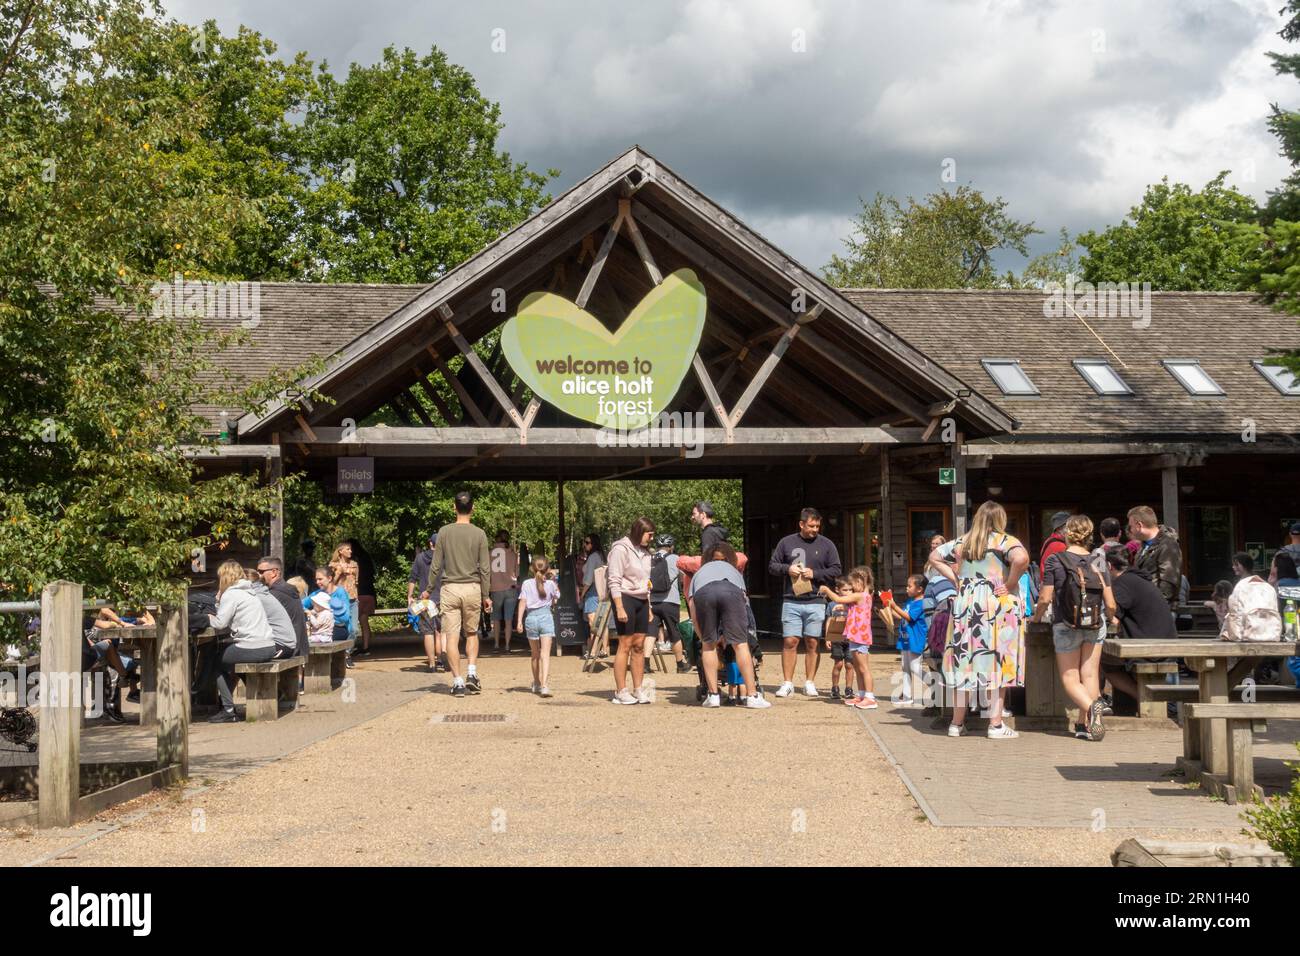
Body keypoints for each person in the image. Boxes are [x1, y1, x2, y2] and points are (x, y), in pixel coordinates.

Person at [928, 500, 1028, 740]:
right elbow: (1021, 558)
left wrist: (955, 577)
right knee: (998, 660)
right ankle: (994, 725)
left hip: (966, 604)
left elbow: (934, 556)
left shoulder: (963, 542)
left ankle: (956, 723)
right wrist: (1011, 583)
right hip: (996, 603)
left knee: (964, 660)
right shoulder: (1005, 541)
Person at [1033, 515, 1115, 742]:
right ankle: (1085, 724)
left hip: (1066, 623)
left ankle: (1091, 709)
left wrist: (1037, 617)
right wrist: (1111, 618)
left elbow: (1045, 597)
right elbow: (1110, 602)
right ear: (1090, 534)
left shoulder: (1056, 559)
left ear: (1067, 533)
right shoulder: (1098, 558)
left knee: (1070, 678)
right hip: (1096, 623)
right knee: (1089, 675)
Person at [768, 507, 842, 698]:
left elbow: (836, 569)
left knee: (812, 642)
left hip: (816, 600)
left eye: (817, 526)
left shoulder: (827, 545)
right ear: (801, 524)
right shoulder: (786, 542)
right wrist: (788, 569)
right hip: (791, 599)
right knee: (790, 641)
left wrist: (815, 574)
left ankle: (810, 682)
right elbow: (773, 566)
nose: (815, 529)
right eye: (811, 525)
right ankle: (787, 683)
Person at [689, 541, 770, 709]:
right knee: (740, 645)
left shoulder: (699, 573)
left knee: (708, 646)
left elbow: (693, 609)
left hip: (704, 593)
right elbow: (744, 603)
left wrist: (702, 635)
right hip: (732, 590)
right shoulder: (734, 571)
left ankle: (712, 695)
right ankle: (752, 695)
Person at [431, 491, 492, 698]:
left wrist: (428, 589)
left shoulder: (444, 532)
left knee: (451, 637)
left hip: (450, 588)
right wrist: (486, 594)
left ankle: (457, 682)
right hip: (473, 588)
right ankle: (472, 673)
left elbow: (436, 565)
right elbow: (484, 568)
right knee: (472, 633)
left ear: (453, 507)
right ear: (473, 508)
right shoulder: (480, 534)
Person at [1100, 548, 1177, 711]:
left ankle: (1145, 698)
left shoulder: (1123, 583)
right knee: (1110, 657)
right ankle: (1135, 702)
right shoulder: (1137, 579)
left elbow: (1112, 611)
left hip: (1151, 648)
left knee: (1101, 661)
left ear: (1109, 565)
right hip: (1163, 641)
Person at [207, 560, 276, 723]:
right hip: (268, 646)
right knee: (232, 659)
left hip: (252, 647)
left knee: (216, 662)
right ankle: (259, 695)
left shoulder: (231, 594)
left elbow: (220, 623)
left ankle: (228, 710)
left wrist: (208, 617)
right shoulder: (249, 591)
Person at [607, 517, 657, 704]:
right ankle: (621, 690)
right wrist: (619, 607)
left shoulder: (646, 553)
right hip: (625, 598)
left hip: (643, 599)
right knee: (625, 644)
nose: (651, 539)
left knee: (639, 645)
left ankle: (638, 689)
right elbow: (614, 579)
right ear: (639, 531)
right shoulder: (620, 549)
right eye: (649, 535)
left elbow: (647, 582)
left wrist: (649, 605)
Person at [819, 566, 877, 709]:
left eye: (854, 583)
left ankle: (870, 697)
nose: (852, 587)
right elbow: (857, 610)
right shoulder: (864, 597)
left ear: (861, 581)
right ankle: (862, 695)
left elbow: (839, 598)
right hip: (855, 636)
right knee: (857, 668)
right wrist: (844, 609)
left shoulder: (861, 595)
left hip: (860, 637)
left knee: (863, 668)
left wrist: (826, 590)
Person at [516, 557, 559, 697]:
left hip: (531, 618)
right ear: (547, 569)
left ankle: (536, 682)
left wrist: (519, 621)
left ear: (531, 569)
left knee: (535, 654)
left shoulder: (526, 583)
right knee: (545, 655)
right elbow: (556, 598)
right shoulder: (551, 584)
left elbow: (523, 602)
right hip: (546, 617)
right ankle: (545, 686)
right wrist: (552, 579)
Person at [648, 533, 690, 674]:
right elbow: (684, 578)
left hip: (653, 601)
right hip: (670, 602)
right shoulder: (675, 558)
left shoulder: (650, 558)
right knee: (674, 632)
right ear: (671, 547)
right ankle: (680, 664)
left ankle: (646, 664)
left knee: (651, 632)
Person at [1127, 506, 1182, 609]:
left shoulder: (1168, 544)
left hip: (1158, 609)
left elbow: (1169, 582)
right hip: (1144, 605)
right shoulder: (1144, 545)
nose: (1131, 530)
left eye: (1131, 526)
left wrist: (1155, 606)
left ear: (1139, 525)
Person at [255, 556, 309, 659]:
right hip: (299, 647)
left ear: (274, 572)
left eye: (261, 572)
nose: (258, 575)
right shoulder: (287, 590)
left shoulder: (274, 594)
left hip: (288, 648)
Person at [885, 574, 927, 707]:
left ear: (920, 589)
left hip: (915, 639)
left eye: (909, 586)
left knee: (915, 667)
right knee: (906, 668)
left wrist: (894, 605)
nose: (906, 588)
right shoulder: (910, 602)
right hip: (905, 639)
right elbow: (900, 615)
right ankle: (907, 696)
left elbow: (909, 617)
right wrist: (888, 607)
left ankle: (933, 682)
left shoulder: (921, 603)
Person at [409, 533, 446, 673]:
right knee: (441, 632)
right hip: (442, 599)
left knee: (428, 633)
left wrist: (410, 596)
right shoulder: (445, 558)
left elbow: (412, 579)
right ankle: (441, 661)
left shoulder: (420, 558)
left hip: (426, 601)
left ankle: (431, 664)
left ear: (430, 543)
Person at [489, 530, 520, 654]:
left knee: (496, 619)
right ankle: (507, 646)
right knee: (508, 620)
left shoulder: (489, 553)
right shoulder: (513, 554)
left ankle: (496, 645)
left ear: (496, 539)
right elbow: (517, 573)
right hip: (510, 589)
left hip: (496, 589)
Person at [347, 539, 377, 658]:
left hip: (358, 593)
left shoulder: (353, 562)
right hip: (369, 593)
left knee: (352, 622)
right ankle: (366, 647)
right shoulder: (366, 557)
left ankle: (349, 649)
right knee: (364, 621)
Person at [824, 578, 852, 700]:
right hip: (836, 637)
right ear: (837, 590)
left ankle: (849, 689)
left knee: (850, 664)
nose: (848, 592)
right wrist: (827, 638)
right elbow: (829, 620)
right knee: (838, 664)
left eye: (851, 590)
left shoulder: (853, 604)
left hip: (851, 638)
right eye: (845, 590)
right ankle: (835, 688)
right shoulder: (831, 605)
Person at [579, 533, 605, 658]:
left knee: (592, 623)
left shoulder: (592, 557)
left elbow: (588, 579)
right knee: (599, 623)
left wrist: (582, 594)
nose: (585, 545)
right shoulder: (600, 556)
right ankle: (599, 649)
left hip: (592, 592)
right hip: (601, 592)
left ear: (593, 544)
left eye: (587, 542)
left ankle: (593, 651)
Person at [328, 542, 360, 644]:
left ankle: (347, 653)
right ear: (340, 551)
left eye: (350, 549)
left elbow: (356, 583)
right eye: (347, 549)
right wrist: (339, 572)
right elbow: (330, 584)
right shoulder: (333, 565)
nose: (350, 551)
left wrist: (357, 597)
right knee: (341, 628)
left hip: (353, 600)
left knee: (354, 629)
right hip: (339, 601)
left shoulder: (354, 564)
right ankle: (341, 655)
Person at [314, 566, 352, 642]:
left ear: (329, 578)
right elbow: (302, 604)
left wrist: (325, 616)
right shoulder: (317, 593)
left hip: (339, 628)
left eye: (320, 579)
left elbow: (346, 617)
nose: (317, 582)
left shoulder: (340, 592)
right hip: (323, 629)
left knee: (321, 638)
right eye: (316, 580)